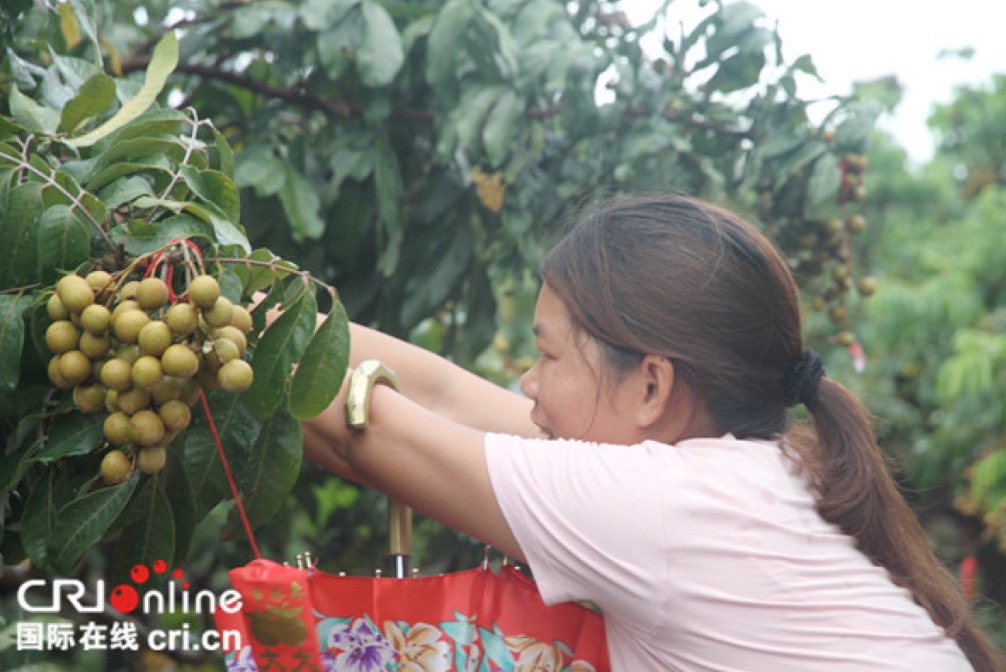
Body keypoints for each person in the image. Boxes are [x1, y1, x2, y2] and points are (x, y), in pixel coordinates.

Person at [298, 193, 1004, 670]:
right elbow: (443, 394)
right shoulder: (741, 477)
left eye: (546, 354)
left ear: (652, 386)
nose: (529, 385)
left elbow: (352, 427)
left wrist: (217, 316)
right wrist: (243, 288)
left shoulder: (659, 507)